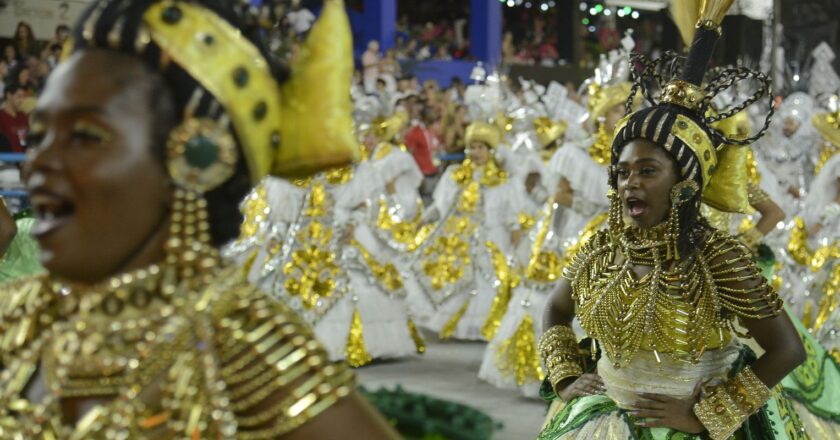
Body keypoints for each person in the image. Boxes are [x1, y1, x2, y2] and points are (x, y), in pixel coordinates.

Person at [0, 0, 399, 437]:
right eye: (38, 135)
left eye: (84, 136)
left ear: (193, 157)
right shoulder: (17, 319)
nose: (38, 164)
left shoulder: (241, 346)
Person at [538, 2, 839, 438]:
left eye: (647, 171)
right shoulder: (605, 247)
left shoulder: (718, 258)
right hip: (600, 422)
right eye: (622, 173)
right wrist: (566, 377)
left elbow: (788, 349)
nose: (630, 184)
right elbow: (555, 308)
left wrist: (707, 415)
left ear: (683, 183)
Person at [0, 84, 28, 153]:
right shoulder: (1, 116)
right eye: (19, 96)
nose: (22, 100)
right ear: (9, 96)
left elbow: (24, 141)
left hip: (23, 158)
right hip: (6, 160)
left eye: (23, 97)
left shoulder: (23, 116)